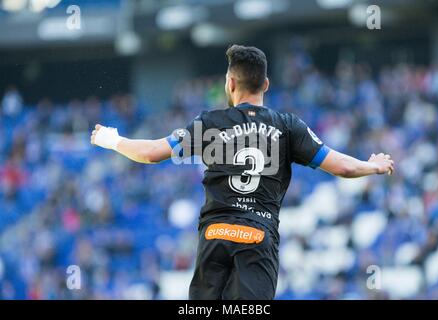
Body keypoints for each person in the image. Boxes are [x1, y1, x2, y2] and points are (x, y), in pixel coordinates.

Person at [90, 45, 394, 300]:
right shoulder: (287, 126)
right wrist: (373, 166)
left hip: (215, 235)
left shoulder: (209, 122)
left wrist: (112, 139)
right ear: (265, 85)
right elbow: (342, 166)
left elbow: (150, 154)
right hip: (257, 235)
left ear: (230, 84)